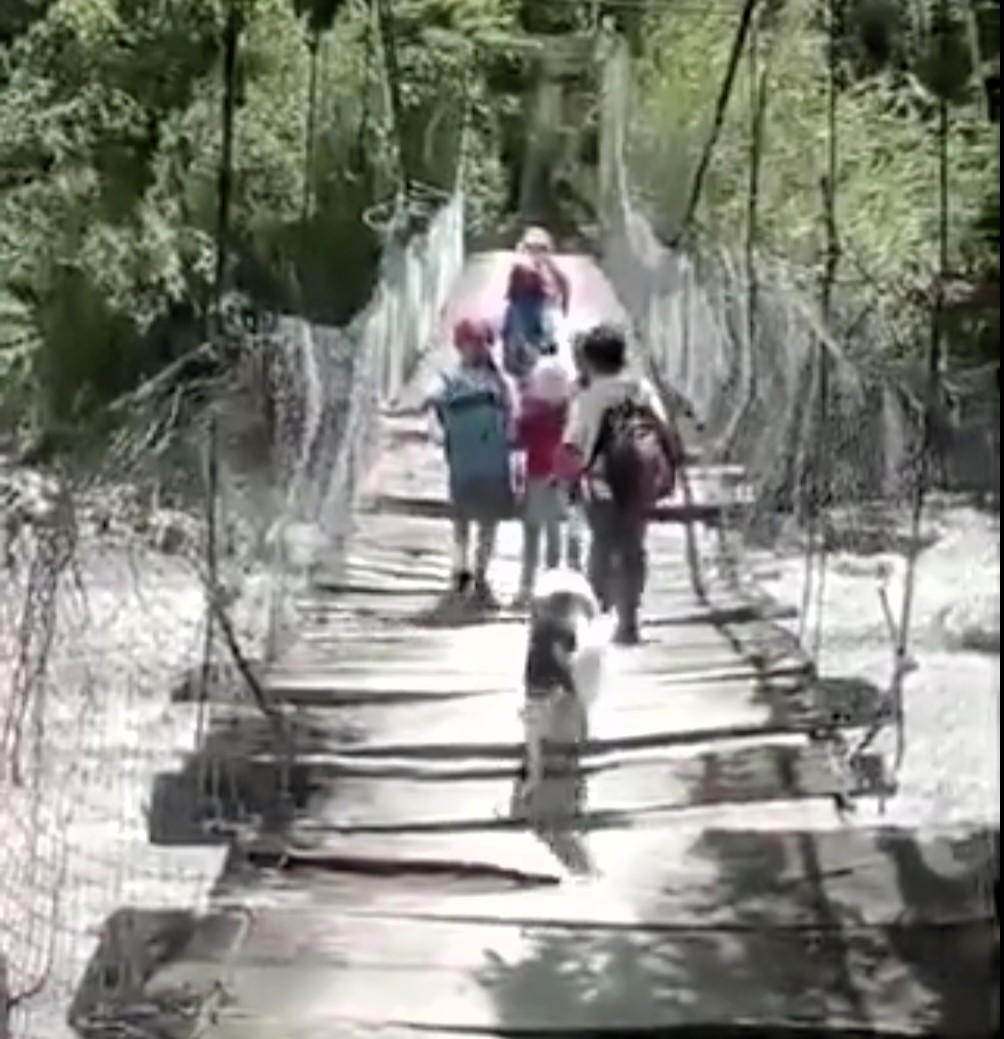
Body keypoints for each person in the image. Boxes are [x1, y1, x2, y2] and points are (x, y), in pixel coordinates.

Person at [560, 323, 683, 645]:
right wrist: (670, 469)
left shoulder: (589, 398)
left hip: (602, 483)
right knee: (633, 545)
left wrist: (566, 483)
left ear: (588, 361)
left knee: (602, 542)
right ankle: (629, 618)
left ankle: (597, 610)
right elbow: (664, 429)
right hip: (640, 481)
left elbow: (574, 444)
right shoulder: (642, 389)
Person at [424, 317, 516, 607]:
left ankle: (479, 573)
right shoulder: (451, 378)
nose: (475, 349)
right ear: (459, 346)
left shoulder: (498, 381)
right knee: (464, 521)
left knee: (485, 522)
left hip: (491, 463)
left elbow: (513, 418)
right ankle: (462, 570)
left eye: (479, 343)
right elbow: (430, 396)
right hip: (466, 463)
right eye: (469, 343)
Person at [513, 354, 575, 606]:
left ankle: (527, 586)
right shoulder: (569, 412)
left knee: (532, 533)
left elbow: (517, 440)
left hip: (536, 475)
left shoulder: (530, 412)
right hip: (560, 477)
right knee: (555, 532)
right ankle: (552, 585)